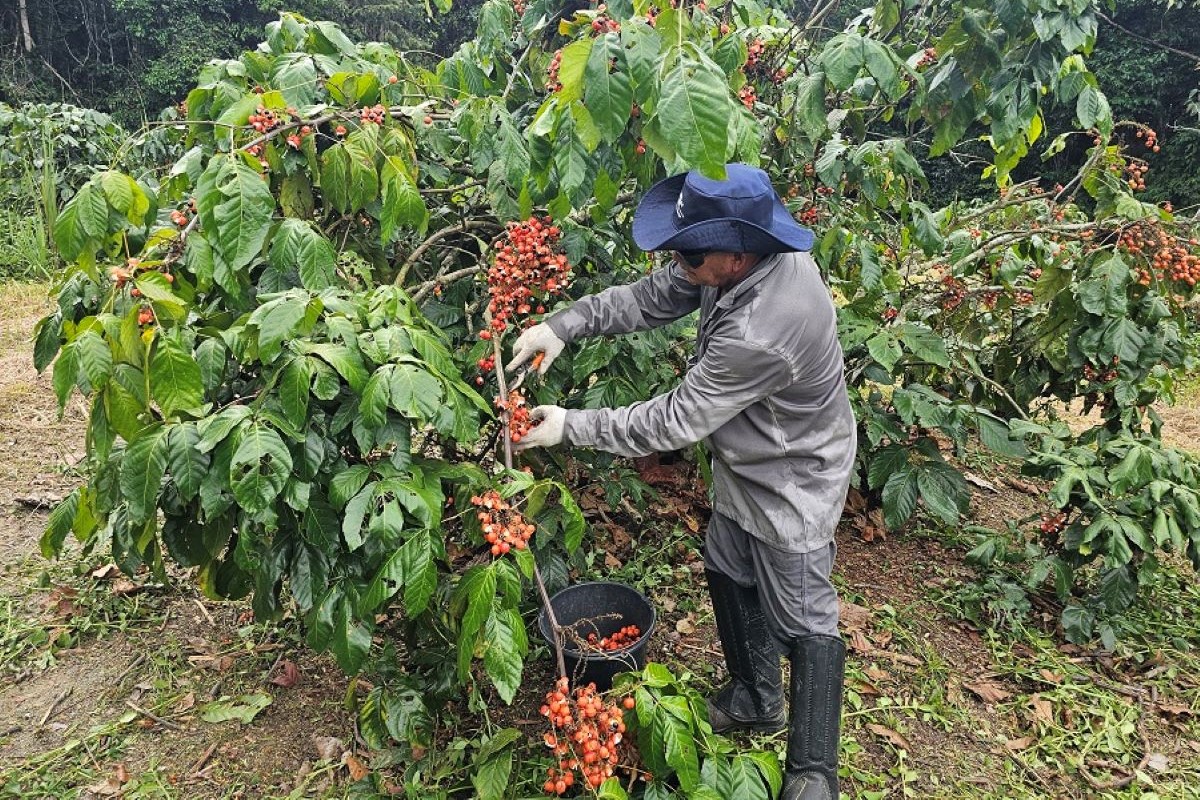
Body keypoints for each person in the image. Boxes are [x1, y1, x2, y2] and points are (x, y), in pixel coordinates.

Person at [508, 163, 856, 800]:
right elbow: (650, 298)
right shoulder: (727, 267)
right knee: (728, 562)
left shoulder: (766, 326)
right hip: (747, 457)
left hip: (794, 472)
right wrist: (564, 325)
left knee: (805, 612)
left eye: (690, 254)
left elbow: (677, 419)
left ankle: (813, 771)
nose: (680, 263)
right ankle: (755, 697)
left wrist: (571, 426)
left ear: (737, 251)